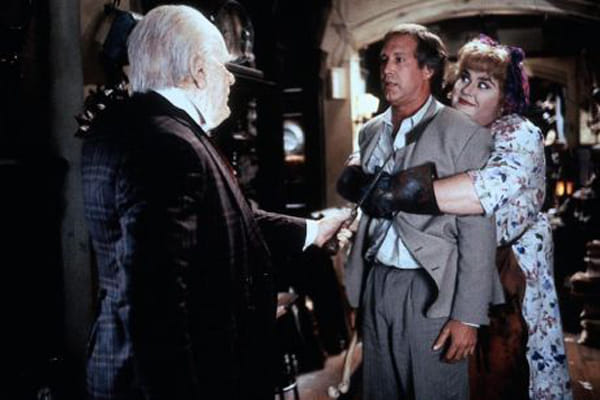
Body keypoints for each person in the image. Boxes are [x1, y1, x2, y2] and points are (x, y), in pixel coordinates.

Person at [80, 5, 348, 400]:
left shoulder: (124, 127)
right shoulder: (170, 144)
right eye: (223, 66)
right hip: (174, 379)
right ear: (198, 70)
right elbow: (157, 299)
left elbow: (224, 218)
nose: (231, 79)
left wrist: (314, 230)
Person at [345, 35, 572, 400]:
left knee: (502, 377)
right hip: (455, 272)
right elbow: (380, 149)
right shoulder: (445, 126)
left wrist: (385, 192)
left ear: (504, 100)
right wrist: (361, 171)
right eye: (465, 77)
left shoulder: (517, 133)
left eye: (484, 84)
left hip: (509, 274)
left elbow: (478, 192)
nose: (468, 89)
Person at [338, 24, 503, 400]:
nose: (387, 69)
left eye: (400, 60)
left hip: (433, 289)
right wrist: (359, 294)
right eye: (384, 60)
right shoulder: (371, 132)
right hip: (378, 283)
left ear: (428, 69)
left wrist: (467, 316)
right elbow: (369, 213)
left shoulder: (464, 133)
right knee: (379, 391)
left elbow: (478, 233)